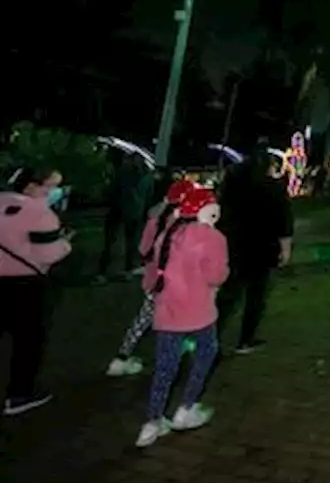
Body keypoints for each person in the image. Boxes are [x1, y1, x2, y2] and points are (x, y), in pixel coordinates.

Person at [135, 187, 229, 447]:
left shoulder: (169, 232)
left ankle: (152, 422)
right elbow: (216, 276)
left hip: (168, 310)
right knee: (206, 354)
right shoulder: (212, 238)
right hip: (199, 311)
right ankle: (187, 408)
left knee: (165, 367)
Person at [106, 178, 198, 377]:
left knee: (142, 321)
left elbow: (143, 249)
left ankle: (122, 357)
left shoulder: (155, 219)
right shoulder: (184, 225)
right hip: (174, 283)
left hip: (153, 279)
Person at [0, 167, 73, 416]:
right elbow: (48, 253)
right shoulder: (40, 213)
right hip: (26, 285)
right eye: (50, 186)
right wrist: (66, 243)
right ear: (31, 186)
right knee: (27, 341)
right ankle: (19, 395)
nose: (55, 191)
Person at [216, 146, 294, 354]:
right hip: (263, 248)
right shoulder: (275, 188)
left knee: (229, 294)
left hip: (235, 246)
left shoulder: (233, 186)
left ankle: (209, 337)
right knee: (256, 297)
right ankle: (245, 340)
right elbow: (284, 222)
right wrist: (285, 249)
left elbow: (221, 214)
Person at [97, 153, 154, 283]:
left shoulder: (121, 173)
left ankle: (102, 272)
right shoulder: (147, 176)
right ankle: (128, 270)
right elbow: (149, 196)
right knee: (132, 243)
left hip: (118, 209)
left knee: (110, 242)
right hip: (136, 212)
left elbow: (112, 191)